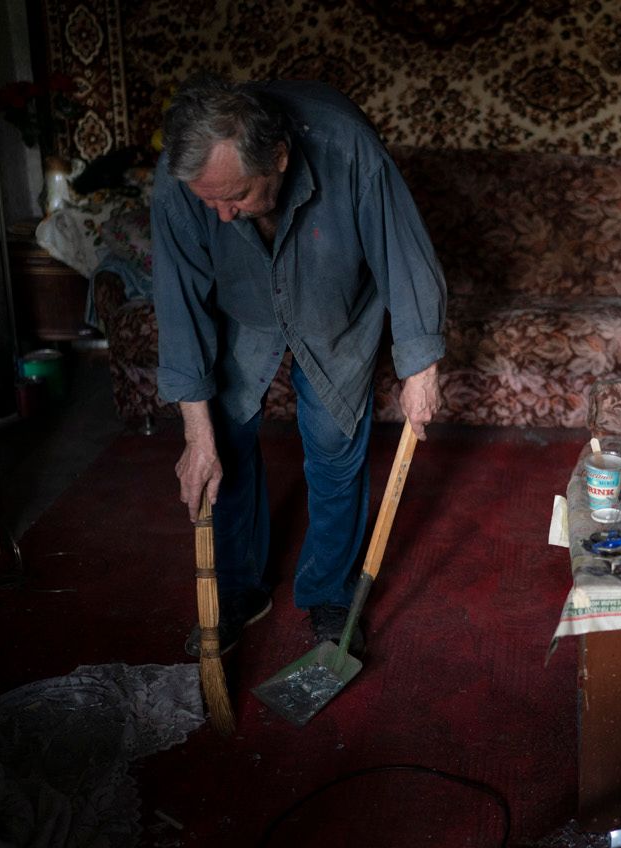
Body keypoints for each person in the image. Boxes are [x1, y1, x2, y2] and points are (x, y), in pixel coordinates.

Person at [152, 72, 446, 657]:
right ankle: (240, 589)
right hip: (241, 307)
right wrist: (196, 434)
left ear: (279, 158)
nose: (224, 216)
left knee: (334, 446)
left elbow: (405, 255)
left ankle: (330, 593)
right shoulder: (181, 178)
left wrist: (421, 372)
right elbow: (179, 305)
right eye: (211, 204)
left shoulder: (347, 148)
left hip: (334, 303)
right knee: (222, 448)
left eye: (237, 197)